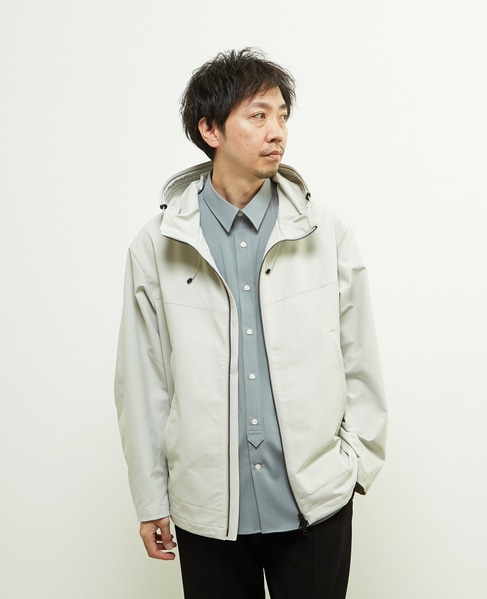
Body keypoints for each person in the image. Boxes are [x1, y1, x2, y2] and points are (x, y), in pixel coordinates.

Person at [114, 47, 387, 599]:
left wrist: (354, 465)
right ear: (209, 129)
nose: (276, 131)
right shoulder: (158, 243)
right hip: (208, 511)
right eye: (258, 115)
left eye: (282, 115)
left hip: (314, 506)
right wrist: (151, 499)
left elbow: (360, 353)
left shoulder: (324, 230)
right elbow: (143, 383)